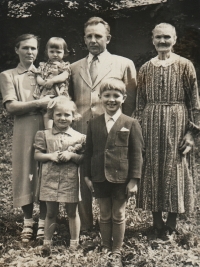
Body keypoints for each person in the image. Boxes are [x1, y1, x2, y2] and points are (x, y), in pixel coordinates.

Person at [70, 17, 137, 230]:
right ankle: (87, 226)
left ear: (108, 38)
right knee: (82, 179)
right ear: (84, 39)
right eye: (89, 36)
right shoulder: (73, 67)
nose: (93, 40)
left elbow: (131, 102)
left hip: (111, 132)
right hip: (80, 131)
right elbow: (69, 102)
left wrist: (122, 132)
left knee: (108, 176)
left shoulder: (124, 63)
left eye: (98, 36)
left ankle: (109, 223)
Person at [134, 23, 200, 236]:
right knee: (152, 167)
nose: (162, 41)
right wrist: (138, 131)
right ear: (152, 39)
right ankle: (157, 223)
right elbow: (140, 103)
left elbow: (194, 103)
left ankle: (171, 223)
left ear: (175, 39)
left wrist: (192, 134)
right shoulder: (145, 68)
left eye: (167, 37)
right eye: (158, 37)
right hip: (150, 123)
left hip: (178, 124)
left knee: (175, 168)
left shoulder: (185, 65)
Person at [84, 78, 143, 267]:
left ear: (124, 98)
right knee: (104, 214)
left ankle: (116, 250)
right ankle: (105, 247)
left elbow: (137, 154)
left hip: (121, 178)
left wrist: (133, 180)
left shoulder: (131, 123)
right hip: (99, 176)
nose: (111, 100)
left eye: (116, 96)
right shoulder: (93, 123)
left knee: (118, 214)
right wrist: (87, 175)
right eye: (107, 95)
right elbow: (89, 151)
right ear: (100, 97)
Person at [0, 34, 53, 242]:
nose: (30, 52)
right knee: (25, 170)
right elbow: (12, 107)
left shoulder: (45, 72)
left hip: (47, 126)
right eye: (25, 48)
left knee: (46, 170)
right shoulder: (8, 75)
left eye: (33, 48)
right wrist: (39, 104)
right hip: (24, 128)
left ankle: (44, 221)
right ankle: (28, 221)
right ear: (16, 50)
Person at [34, 96, 86, 252]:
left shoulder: (80, 137)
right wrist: (50, 156)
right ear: (52, 115)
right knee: (50, 212)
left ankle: (74, 243)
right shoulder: (43, 135)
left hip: (69, 180)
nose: (63, 118)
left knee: (72, 212)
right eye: (58, 115)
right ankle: (47, 244)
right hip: (49, 179)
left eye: (67, 115)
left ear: (74, 116)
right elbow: (37, 155)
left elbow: (82, 159)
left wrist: (71, 156)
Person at [33, 37, 71, 129]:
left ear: (64, 53)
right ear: (47, 52)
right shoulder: (43, 65)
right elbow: (38, 76)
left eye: (58, 52)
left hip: (59, 93)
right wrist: (43, 82)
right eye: (52, 51)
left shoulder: (64, 65)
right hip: (46, 94)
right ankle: (48, 130)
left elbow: (64, 76)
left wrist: (53, 80)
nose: (55, 54)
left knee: (61, 111)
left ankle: (62, 130)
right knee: (47, 112)